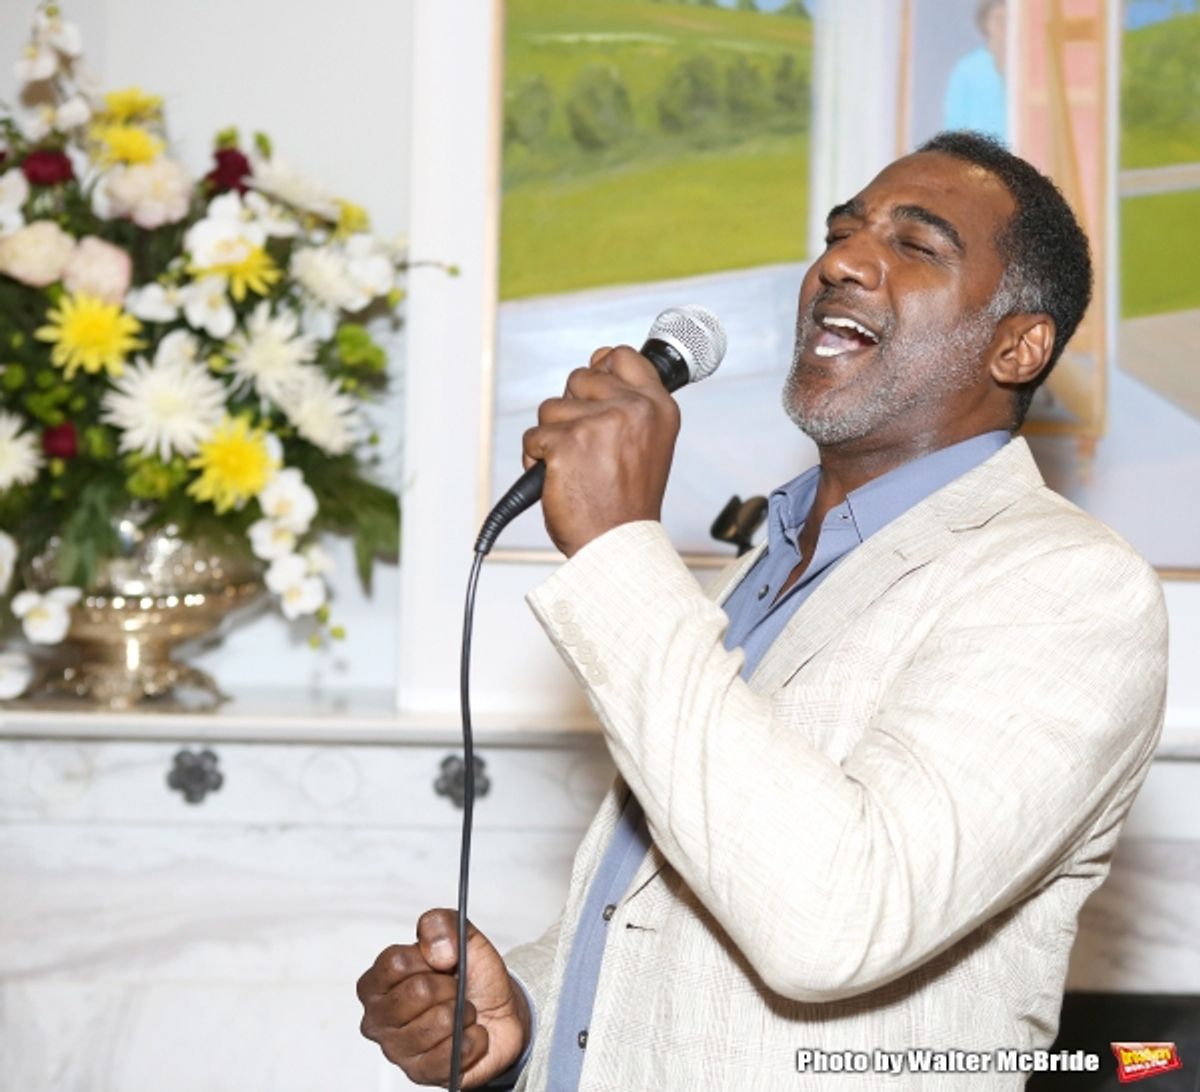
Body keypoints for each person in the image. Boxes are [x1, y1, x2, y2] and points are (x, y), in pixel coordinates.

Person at [356, 132, 1168, 1090]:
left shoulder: (1067, 585)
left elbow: (835, 920)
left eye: (916, 245)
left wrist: (620, 548)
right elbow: (693, 905)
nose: (840, 262)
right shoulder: (764, 563)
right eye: (840, 232)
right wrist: (523, 1013)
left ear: (1018, 344)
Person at [943, 0, 1008, 144]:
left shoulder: (1023, 68)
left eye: (1007, 18)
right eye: (998, 18)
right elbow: (955, 127)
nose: (1003, 25)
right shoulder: (967, 69)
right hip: (979, 156)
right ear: (985, 22)